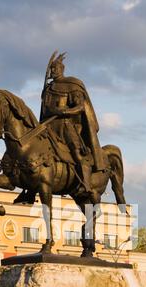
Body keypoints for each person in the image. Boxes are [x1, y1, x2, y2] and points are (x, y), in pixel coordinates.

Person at [40, 51, 106, 199]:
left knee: (77, 152)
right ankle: (29, 190)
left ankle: (86, 184)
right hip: (48, 126)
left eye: (55, 69)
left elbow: (81, 106)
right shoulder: (48, 89)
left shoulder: (72, 85)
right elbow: (45, 110)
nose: (53, 71)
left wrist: (63, 111)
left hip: (65, 126)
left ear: (61, 69)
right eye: (51, 69)